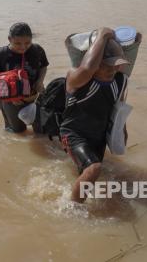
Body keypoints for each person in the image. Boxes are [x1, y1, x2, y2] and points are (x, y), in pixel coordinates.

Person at [60, 27, 141, 203]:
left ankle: (76, 186)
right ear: (94, 63)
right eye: (106, 64)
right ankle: (72, 208)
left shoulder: (119, 81)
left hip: (98, 136)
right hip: (74, 134)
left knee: (88, 171)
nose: (113, 68)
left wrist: (121, 130)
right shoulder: (77, 79)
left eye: (116, 64)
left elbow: (117, 107)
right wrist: (103, 34)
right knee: (94, 168)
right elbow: (88, 68)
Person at [0, 22, 49, 133]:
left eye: (27, 43)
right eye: (18, 43)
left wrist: (40, 81)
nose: (23, 47)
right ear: (9, 39)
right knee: (17, 133)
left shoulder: (37, 50)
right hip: (11, 102)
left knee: (42, 132)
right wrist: (10, 97)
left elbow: (44, 66)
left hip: (35, 97)